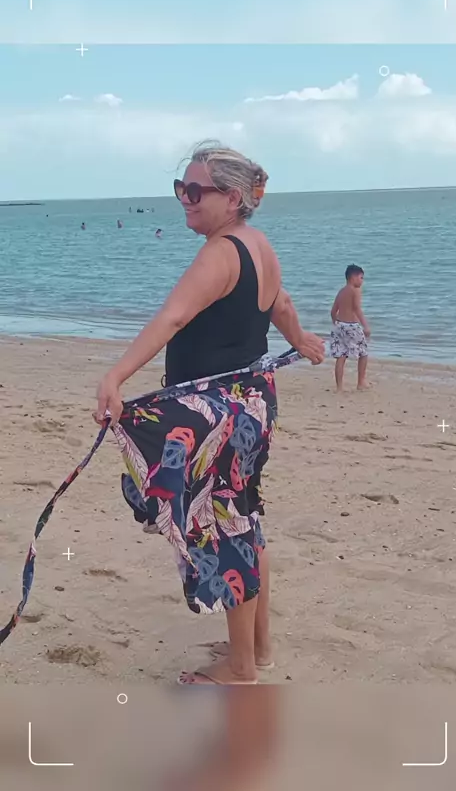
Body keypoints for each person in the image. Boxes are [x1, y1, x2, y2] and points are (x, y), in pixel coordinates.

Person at [94, 141, 325, 685]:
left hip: (220, 414)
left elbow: (173, 317)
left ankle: (240, 668)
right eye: (182, 188)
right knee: (244, 517)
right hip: (253, 404)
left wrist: (115, 377)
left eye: (197, 191)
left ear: (234, 198)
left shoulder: (220, 253)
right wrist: (300, 339)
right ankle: (259, 649)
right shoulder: (259, 245)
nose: (185, 199)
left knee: (224, 528)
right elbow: (282, 304)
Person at [330, 264, 370, 392]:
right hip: (352, 326)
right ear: (353, 277)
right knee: (363, 353)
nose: (362, 281)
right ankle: (361, 382)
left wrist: (336, 324)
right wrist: (365, 326)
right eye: (361, 278)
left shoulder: (341, 291)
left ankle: (339, 387)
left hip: (340, 325)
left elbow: (333, 311)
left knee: (341, 356)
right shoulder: (355, 290)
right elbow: (357, 309)